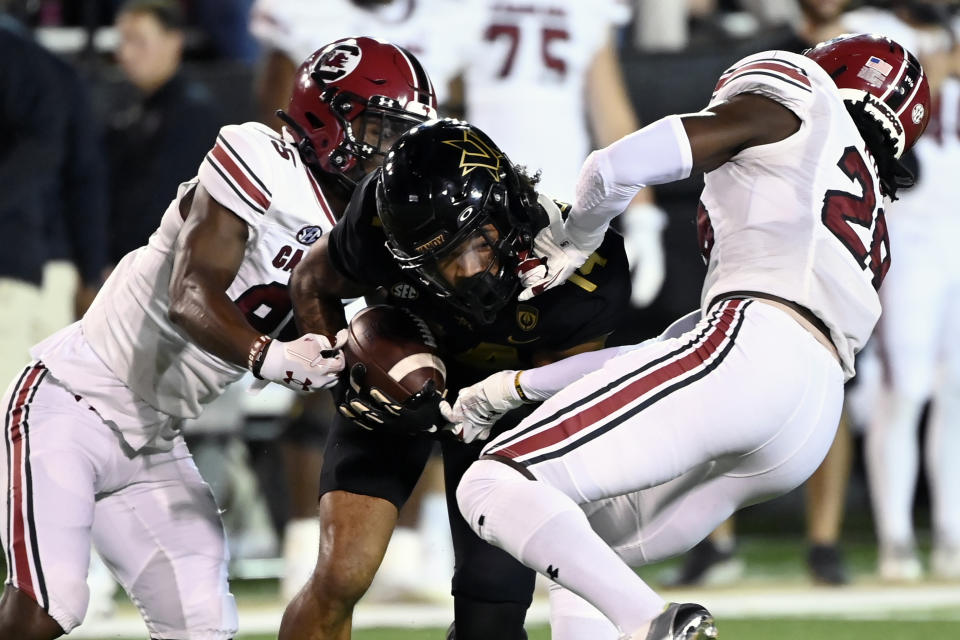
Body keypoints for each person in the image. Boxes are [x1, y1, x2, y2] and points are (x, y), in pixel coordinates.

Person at [452, 33, 931, 640]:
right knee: (587, 546)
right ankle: (639, 618)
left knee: (495, 479)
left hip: (753, 347)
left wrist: (577, 236)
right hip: (808, 415)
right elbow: (667, 361)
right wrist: (511, 389)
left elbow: (615, 166)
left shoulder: (801, 93)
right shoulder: (860, 216)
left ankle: (654, 623)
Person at [0, 36, 437, 639]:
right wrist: (271, 357)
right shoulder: (259, 156)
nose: (390, 152)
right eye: (379, 129)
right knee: (52, 605)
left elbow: (348, 340)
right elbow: (190, 292)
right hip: (69, 405)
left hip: (154, 440)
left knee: (201, 622)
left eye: (402, 136)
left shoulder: (367, 233)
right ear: (327, 116)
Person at [279, 118, 630, 640]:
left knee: (492, 609)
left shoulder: (584, 272)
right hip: (398, 377)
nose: (465, 269)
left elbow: (564, 396)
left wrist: (494, 404)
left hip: (508, 413)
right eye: (439, 256)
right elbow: (310, 282)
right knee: (339, 575)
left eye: (476, 241)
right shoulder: (378, 223)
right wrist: (350, 379)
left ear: (505, 207)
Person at [106, 0, 222, 265]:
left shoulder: (191, 113)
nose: (125, 53)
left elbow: (165, 202)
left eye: (138, 41)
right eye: (122, 40)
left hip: (157, 270)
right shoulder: (132, 108)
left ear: (173, 42)